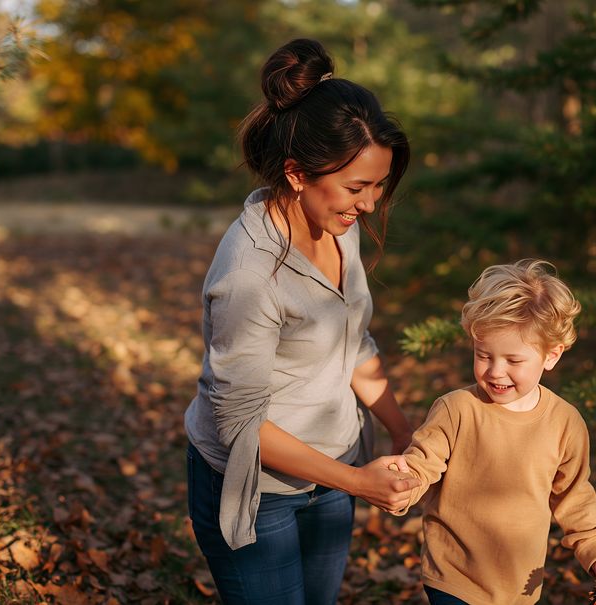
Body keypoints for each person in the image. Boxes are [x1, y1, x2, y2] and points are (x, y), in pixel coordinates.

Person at [184, 38, 419, 604]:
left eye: (378, 185)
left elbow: (352, 343)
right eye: (356, 187)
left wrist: (402, 429)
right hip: (256, 488)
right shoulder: (251, 273)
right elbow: (240, 424)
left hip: (333, 470)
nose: (368, 203)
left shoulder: (342, 227)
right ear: (296, 173)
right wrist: (362, 483)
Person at [390, 259, 596, 604]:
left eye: (514, 361)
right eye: (483, 355)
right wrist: (401, 481)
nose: (495, 372)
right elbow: (421, 465)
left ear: (552, 355)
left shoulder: (565, 423)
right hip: (453, 576)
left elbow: (574, 497)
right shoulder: (456, 409)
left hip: (520, 588)